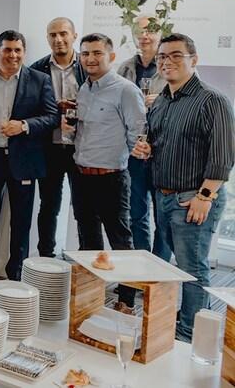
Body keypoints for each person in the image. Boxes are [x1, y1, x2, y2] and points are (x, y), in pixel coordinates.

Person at [132, 33, 234, 341]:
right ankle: (180, 321)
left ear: (194, 60)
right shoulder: (163, 99)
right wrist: (146, 150)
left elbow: (224, 155)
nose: (167, 61)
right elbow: (155, 142)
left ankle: (190, 334)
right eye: (163, 56)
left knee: (193, 270)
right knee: (176, 266)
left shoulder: (211, 100)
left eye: (176, 55)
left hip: (194, 198)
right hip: (164, 197)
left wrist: (205, 196)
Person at [0, 30, 58, 285]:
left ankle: (16, 272)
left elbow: (52, 117)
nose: (13, 55)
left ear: (24, 53)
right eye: (7, 50)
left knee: (21, 221)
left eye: (18, 50)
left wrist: (24, 125)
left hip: (24, 159)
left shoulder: (40, 80)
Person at [71, 32, 144, 311]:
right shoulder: (83, 88)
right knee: (88, 240)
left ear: (111, 57)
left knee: (121, 242)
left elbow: (138, 136)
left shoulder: (126, 90)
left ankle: (125, 299)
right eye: (86, 53)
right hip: (81, 175)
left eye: (97, 53)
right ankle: (91, 295)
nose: (90, 58)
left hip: (111, 178)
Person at [29, 17, 85, 259]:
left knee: (84, 208)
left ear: (74, 35)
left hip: (81, 148)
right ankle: (45, 258)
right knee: (49, 206)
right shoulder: (36, 68)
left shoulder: (87, 66)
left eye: (63, 33)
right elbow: (30, 107)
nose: (58, 39)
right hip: (49, 147)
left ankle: (86, 260)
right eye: (52, 35)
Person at [117, 15, 169, 260]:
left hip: (163, 155)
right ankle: (139, 267)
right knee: (136, 215)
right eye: (139, 30)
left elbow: (188, 106)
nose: (145, 35)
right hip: (135, 153)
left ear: (160, 33)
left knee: (163, 218)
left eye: (150, 30)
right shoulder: (126, 67)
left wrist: (159, 101)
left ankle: (157, 275)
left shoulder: (173, 66)